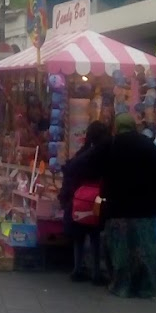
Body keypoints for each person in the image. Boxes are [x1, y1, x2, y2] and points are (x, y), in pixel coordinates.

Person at [96, 114, 156, 298]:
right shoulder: (147, 144)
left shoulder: (111, 145)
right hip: (144, 209)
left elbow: (92, 165)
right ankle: (145, 286)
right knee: (143, 250)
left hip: (118, 208)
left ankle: (121, 285)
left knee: (121, 251)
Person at [59, 121, 111, 284]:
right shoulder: (104, 154)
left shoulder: (83, 153)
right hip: (97, 199)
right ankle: (96, 272)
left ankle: (77, 269)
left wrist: (66, 197)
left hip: (80, 198)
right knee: (95, 235)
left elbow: (70, 172)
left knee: (79, 235)